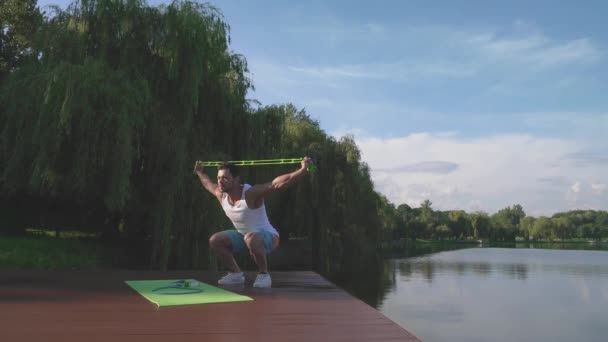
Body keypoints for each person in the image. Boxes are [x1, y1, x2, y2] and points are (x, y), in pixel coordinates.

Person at [194, 157, 312, 288]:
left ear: (236, 179)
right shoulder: (221, 194)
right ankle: (236, 275)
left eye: (225, 178)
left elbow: (276, 184)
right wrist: (200, 172)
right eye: (219, 178)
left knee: (250, 238)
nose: (220, 182)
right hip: (244, 236)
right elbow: (208, 184)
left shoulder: (250, 193)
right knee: (215, 240)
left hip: (268, 237)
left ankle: (264, 275)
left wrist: (302, 170)